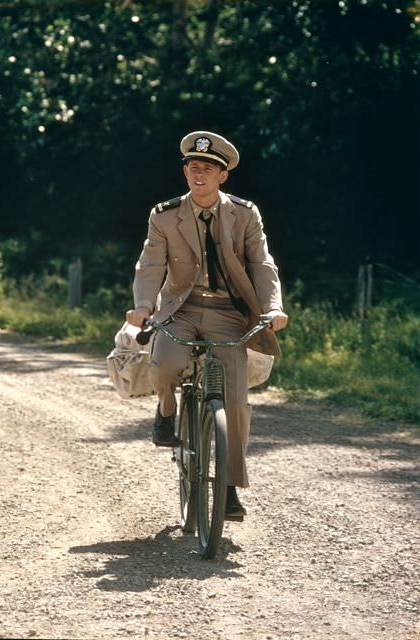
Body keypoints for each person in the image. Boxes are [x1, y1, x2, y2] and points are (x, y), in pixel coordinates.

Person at [126, 131, 288, 520]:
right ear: (185, 172)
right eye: (193, 167)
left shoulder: (245, 214)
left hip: (229, 313)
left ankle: (229, 490)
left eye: (208, 168)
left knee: (235, 400)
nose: (199, 174)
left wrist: (272, 307)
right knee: (164, 362)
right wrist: (143, 306)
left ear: (222, 176)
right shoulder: (164, 215)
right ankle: (166, 411)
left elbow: (262, 264)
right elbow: (150, 266)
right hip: (179, 308)